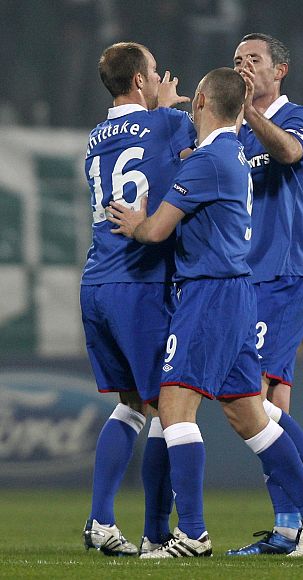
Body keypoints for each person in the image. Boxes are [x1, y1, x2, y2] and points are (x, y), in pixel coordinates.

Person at [106, 67, 303, 559]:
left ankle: (191, 533)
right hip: (236, 292)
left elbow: (155, 231)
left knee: (173, 407)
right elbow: (187, 162)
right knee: (247, 414)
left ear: (200, 104)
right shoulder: (230, 153)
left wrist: (133, 223)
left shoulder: (208, 161)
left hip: (209, 294)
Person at [224, 33, 303, 557]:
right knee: (272, 405)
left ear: (281, 69)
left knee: (245, 398)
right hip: (244, 279)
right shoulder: (232, 133)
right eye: (236, 62)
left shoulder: (296, 116)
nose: (243, 67)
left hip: (284, 276)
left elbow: (288, 151)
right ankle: (288, 526)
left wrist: (248, 111)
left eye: (253, 60)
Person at [80, 41, 194, 556]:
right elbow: (205, 143)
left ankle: (100, 521)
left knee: (132, 405)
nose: (161, 78)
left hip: (96, 283)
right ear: (140, 82)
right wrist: (171, 108)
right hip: (139, 285)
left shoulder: (93, 138)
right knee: (167, 404)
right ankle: (162, 533)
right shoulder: (165, 125)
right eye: (155, 71)